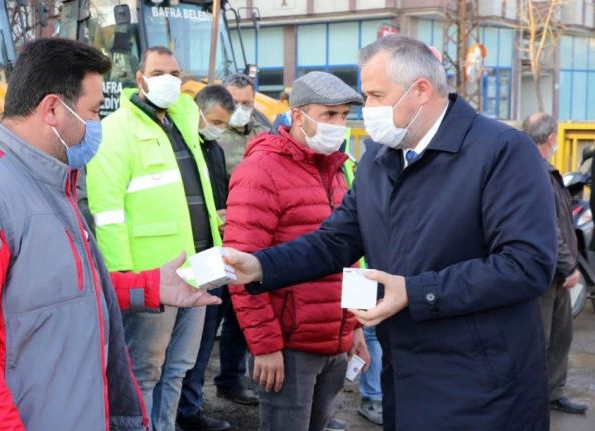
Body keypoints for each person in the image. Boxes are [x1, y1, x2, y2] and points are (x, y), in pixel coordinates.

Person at [224, 35, 557, 430]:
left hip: (483, 386)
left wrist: (415, 292)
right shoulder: (379, 162)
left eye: (376, 95)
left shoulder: (501, 151)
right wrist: (261, 265)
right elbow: (334, 241)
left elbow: (527, 265)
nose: (367, 110)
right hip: (406, 378)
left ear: (420, 91)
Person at [0, 38, 220, 431]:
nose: (98, 125)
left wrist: (150, 287)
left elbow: (53, 294)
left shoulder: (51, 182)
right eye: (91, 111)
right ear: (53, 108)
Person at [224, 71, 370, 431]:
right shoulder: (260, 171)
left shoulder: (339, 169)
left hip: (334, 340)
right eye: (329, 115)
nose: (339, 125)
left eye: (344, 116)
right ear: (299, 117)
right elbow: (239, 268)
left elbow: (350, 252)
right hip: (289, 347)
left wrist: (355, 326)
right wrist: (265, 345)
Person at [86, 46, 223, 431]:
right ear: (140, 79)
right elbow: (107, 210)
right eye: (160, 72)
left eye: (176, 72)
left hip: (196, 268)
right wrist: (124, 276)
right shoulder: (115, 129)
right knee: (144, 371)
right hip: (150, 275)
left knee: (179, 367)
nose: (170, 80)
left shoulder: (183, 122)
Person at [177, 84, 237, 431]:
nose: (218, 128)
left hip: (212, 254)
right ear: (198, 111)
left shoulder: (212, 149)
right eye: (214, 121)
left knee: (204, 338)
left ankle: (190, 408)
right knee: (176, 344)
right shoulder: (183, 146)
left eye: (223, 124)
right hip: (185, 254)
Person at [523, 112, 588, 415]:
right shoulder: (536, 171)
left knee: (560, 336)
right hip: (545, 272)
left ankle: (551, 393)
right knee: (540, 339)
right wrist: (569, 267)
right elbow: (549, 228)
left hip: (552, 272)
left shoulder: (536, 168)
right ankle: (532, 399)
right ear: (551, 139)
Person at [217, 73, 270, 176]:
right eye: (234, 102)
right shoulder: (213, 136)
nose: (239, 109)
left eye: (246, 103)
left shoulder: (266, 135)